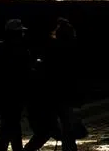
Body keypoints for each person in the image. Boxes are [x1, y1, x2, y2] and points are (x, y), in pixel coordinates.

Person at [24, 17, 82, 151]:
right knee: (66, 132)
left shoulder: (51, 49)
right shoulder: (70, 50)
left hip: (50, 96)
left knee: (46, 131)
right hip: (61, 96)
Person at [0, 19, 33, 151]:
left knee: (10, 127)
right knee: (11, 127)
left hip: (4, 96)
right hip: (11, 96)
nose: (22, 35)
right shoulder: (20, 52)